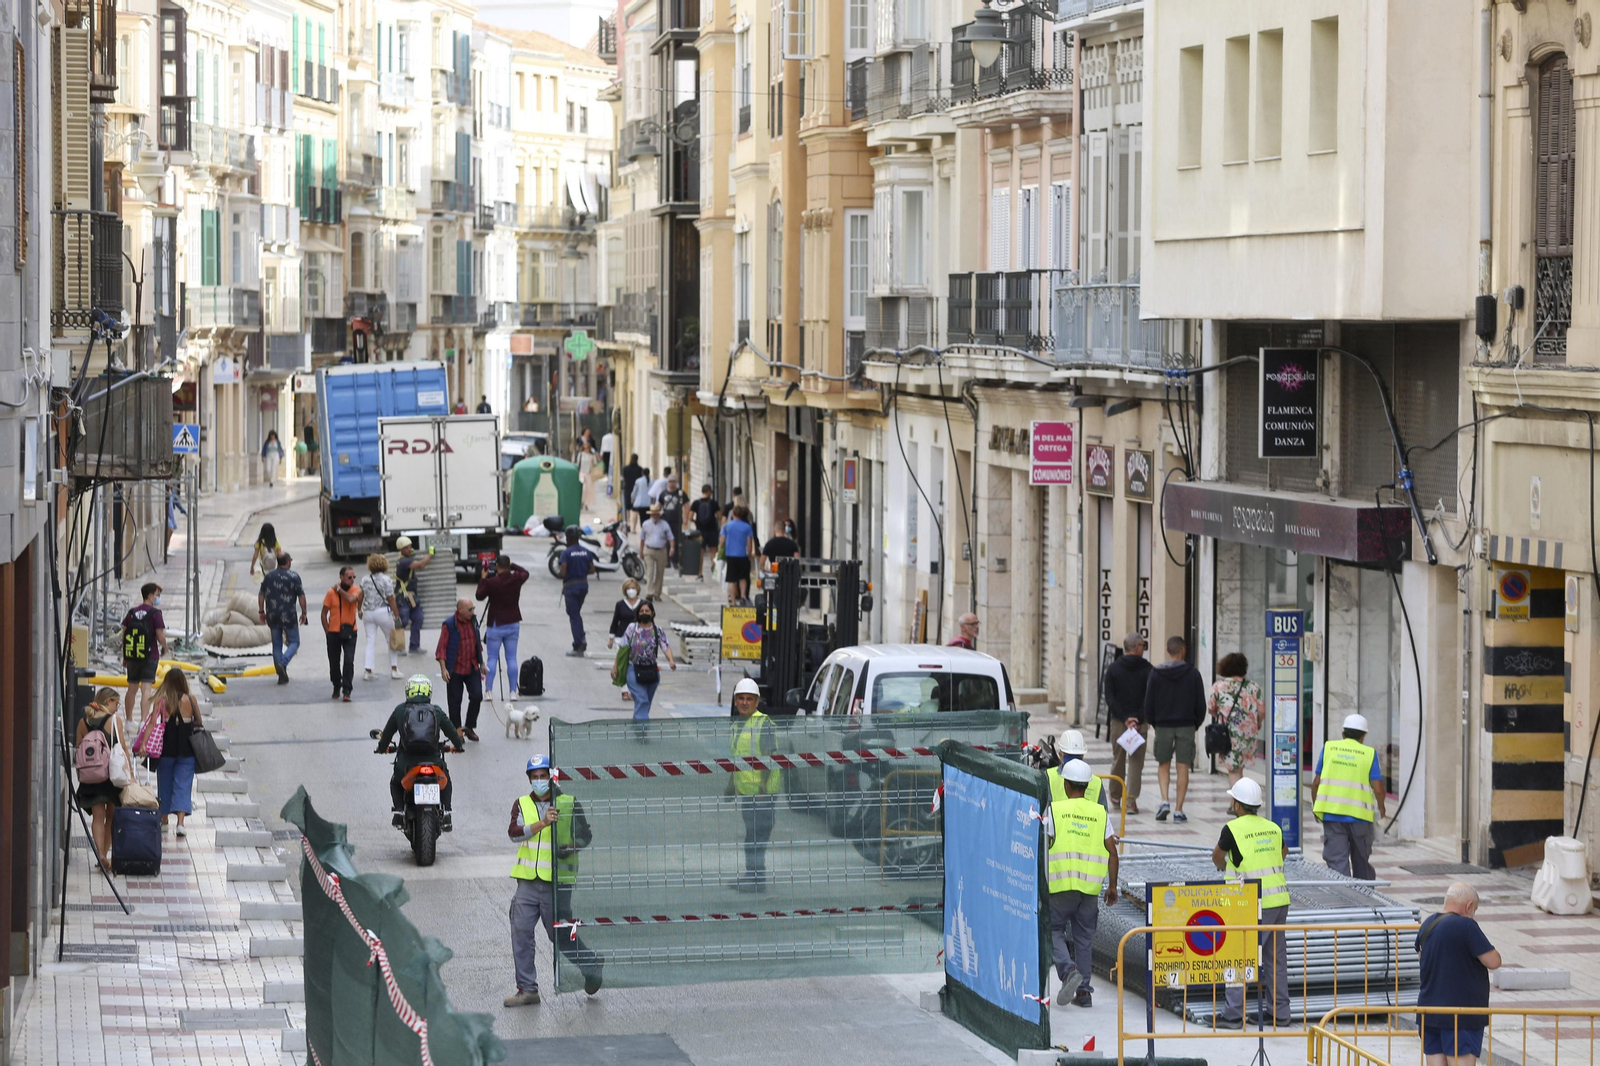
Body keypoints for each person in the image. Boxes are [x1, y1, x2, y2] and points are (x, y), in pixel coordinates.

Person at [505, 754, 604, 1005]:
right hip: (527, 882)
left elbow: (586, 835)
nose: (539, 781)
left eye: (543, 776)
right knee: (521, 932)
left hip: (557, 884)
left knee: (558, 936)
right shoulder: (521, 804)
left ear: (551, 777)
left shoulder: (568, 803)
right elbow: (514, 834)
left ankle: (590, 964)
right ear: (529, 779)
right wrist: (541, 823)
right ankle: (527, 989)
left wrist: (572, 845)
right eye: (534, 777)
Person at [1212, 778, 1290, 1029]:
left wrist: (1228, 868)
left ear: (1237, 804)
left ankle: (1234, 1014)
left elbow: (1217, 857)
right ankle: (1280, 1013)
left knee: (1238, 955)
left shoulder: (1232, 829)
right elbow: (1283, 853)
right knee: (1275, 959)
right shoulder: (1273, 827)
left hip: (1253, 903)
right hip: (1279, 900)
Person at [1044, 758, 1119, 1007]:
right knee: (1084, 939)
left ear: (1066, 784)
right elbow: (1112, 852)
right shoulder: (1100, 813)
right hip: (1089, 891)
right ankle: (1084, 993)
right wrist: (1112, 886)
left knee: (1051, 930)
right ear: (1087, 787)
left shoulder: (1055, 810)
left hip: (1060, 889)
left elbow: (1045, 846)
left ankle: (1068, 971)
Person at [1416, 883, 1502, 1066]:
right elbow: (1494, 961)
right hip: (1460, 1016)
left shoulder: (1428, 923)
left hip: (1429, 1012)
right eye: (1475, 909)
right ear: (1468, 906)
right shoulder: (1466, 926)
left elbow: (1421, 957)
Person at [375, 675, 464, 830]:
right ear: (428, 692)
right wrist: (458, 746)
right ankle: (447, 811)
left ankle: (399, 811)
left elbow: (387, 735)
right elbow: (452, 733)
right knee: (446, 780)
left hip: (407, 763)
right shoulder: (436, 710)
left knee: (396, 782)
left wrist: (381, 749)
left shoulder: (400, 710)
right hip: (434, 761)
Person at [1311, 713, 1387, 880]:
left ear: (1343, 733)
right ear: (1363, 736)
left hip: (1332, 815)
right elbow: (1379, 789)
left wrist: (1316, 806)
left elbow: (1316, 783)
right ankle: (1364, 898)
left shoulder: (1329, 748)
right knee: (1361, 861)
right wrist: (1382, 807)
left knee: (1337, 863)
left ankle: (1343, 901)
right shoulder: (1368, 753)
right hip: (1360, 818)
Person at [1143, 635, 1206, 823]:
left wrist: (1155, 722)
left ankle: (1164, 801)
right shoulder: (1193, 673)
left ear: (1168, 651)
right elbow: (1200, 703)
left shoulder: (1156, 673)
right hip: (1186, 725)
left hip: (1163, 725)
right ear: (1183, 650)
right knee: (1183, 766)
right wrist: (1195, 723)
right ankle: (1179, 810)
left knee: (1163, 764)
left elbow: (1148, 702)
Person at [728, 677, 778, 892]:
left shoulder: (762, 723)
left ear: (757, 702)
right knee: (752, 836)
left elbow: (768, 756)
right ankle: (753, 877)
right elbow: (737, 757)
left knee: (757, 838)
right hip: (748, 792)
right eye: (741, 698)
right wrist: (731, 784)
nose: (745, 702)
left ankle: (757, 880)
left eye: (749, 699)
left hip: (761, 793)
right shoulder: (737, 724)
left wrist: (763, 789)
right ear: (735, 701)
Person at [74, 688, 125, 868]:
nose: (117, 708)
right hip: (112, 776)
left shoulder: (83, 722)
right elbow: (123, 749)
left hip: (91, 776)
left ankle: (100, 854)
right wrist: (131, 776)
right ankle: (105, 855)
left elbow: (79, 748)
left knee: (97, 817)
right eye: (116, 704)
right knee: (111, 817)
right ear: (109, 701)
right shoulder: (114, 721)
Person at [1104, 633, 1153, 813]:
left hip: (1119, 722)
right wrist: (1137, 718)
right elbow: (1150, 698)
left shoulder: (1113, 669)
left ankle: (1115, 795)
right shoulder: (1149, 670)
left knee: (1118, 759)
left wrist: (1125, 718)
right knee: (1136, 761)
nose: (1144, 648)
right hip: (1140, 724)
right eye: (1143, 645)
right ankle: (1131, 801)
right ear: (1137, 647)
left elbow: (1109, 697)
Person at [152, 668, 202, 838]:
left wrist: (143, 743)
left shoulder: (161, 701)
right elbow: (199, 721)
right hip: (187, 750)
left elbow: (152, 724)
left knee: (164, 783)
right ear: (183, 681)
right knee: (183, 785)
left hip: (166, 749)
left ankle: (164, 820)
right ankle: (180, 824)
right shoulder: (191, 699)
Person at [1209, 652, 1266, 788]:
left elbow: (1211, 708)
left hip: (1229, 734)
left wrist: (1220, 716)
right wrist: (1258, 723)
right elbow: (1262, 710)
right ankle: (1236, 802)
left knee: (1233, 770)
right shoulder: (1253, 687)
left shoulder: (1219, 686)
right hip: (1249, 733)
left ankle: (1236, 804)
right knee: (1239, 768)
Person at [476, 554, 529, 697]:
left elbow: (479, 595)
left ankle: (489, 691)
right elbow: (525, 572)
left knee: (492, 658)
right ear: (508, 565)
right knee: (511, 658)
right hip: (513, 623)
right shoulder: (516, 579)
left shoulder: (492, 582)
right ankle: (512, 691)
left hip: (495, 624)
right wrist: (512, 565)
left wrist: (483, 577)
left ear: (497, 566)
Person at [436, 598, 487, 741]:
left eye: (473, 608)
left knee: (477, 696)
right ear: (460, 610)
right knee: (454, 701)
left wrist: (481, 663)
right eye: (470, 609)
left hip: (472, 666)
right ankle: (457, 730)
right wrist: (443, 668)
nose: (473, 612)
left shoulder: (473, 621)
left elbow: (477, 643)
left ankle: (469, 727)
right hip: (455, 668)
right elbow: (441, 648)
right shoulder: (449, 625)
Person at [119, 582, 168, 726]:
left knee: (132, 687)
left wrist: (126, 655)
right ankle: (143, 721)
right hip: (149, 654)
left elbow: (124, 635)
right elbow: (160, 636)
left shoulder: (132, 613)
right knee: (146, 688)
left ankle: (128, 720)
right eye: (157, 595)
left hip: (133, 654)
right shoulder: (155, 614)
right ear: (150, 596)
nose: (158, 598)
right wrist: (165, 647)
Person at [257, 552, 307, 685]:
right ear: (288, 562)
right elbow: (301, 596)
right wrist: (304, 612)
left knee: (277, 644)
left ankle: (281, 673)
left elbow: (261, 594)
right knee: (295, 642)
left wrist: (261, 611)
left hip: (272, 615)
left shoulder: (269, 577)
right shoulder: (294, 576)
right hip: (289, 615)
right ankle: (283, 663)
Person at [621, 600, 675, 720]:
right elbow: (622, 649)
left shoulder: (658, 630)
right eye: (641, 611)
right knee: (642, 699)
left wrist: (671, 660)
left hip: (651, 671)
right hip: (633, 669)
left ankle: (638, 728)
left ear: (653, 613)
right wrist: (616, 667)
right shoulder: (631, 628)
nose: (644, 613)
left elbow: (665, 646)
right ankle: (642, 730)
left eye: (647, 611)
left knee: (645, 703)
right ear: (637, 614)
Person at [321, 566, 361, 701]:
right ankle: (336, 685)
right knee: (334, 662)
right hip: (334, 633)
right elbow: (323, 613)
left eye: (353, 577)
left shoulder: (356, 590)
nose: (352, 580)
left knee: (349, 661)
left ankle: (347, 690)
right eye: (349, 577)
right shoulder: (330, 593)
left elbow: (351, 599)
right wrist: (327, 630)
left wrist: (339, 590)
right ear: (341, 577)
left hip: (350, 631)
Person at [360, 554, 402, 681]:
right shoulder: (386, 579)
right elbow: (391, 598)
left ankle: (368, 671)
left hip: (368, 613)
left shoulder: (365, 579)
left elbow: (360, 596)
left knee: (370, 641)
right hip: (383, 611)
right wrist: (397, 615)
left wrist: (359, 609)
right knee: (391, 640)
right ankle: (394, 669)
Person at [557, 526, 597, 656]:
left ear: (568, 538)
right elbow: (592, 570)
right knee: (576, 614)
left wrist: (560, 574)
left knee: (574, 616)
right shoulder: (586, 552)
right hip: (583, 586)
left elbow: (563, 571)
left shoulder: (566, 553)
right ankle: (580, 638)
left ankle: (579, 643)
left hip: (571, 588)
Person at [395, 537, 435, 655]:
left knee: (418, 618)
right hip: (403, 597)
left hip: (412, 597)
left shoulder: (406, 559)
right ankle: (399, 648)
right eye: (406, 548)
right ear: (401, 549)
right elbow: (421, 565)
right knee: (403, 621)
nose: (409, 549)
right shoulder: (404, 561)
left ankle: (414, 646)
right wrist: (430, 554)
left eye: (410, 547)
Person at [1058, 730, 1109, 811]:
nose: (1074, 761)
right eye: (1070, 756)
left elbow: (1104, 814)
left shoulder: (1096, 783)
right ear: (1060, 755)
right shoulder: (1049, 778)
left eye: (1078, 756)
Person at [720, 505, 755, 606]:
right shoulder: (747, 527)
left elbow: (721, 541)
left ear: (733, 514)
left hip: (730, 555)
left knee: (732, 579)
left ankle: (733, 600)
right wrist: (749, 554)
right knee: (743, 578)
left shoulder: (727, 526)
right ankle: (743, 596)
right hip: (742, 555)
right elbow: (749, 543)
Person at [640, 504, 674, 601]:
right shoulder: (646, 524)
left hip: (661, 550)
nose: (655, 516)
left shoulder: (664, 524)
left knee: (660, 573)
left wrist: (672, 548)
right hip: (649, 549)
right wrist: (641, 550)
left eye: (657, 514)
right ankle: (649, 593)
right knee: (650, 572)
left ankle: (657, 593)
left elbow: (671, 537)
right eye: (653, 514)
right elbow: (642, 538)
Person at [688, 485, 722, 583]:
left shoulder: (696, 503)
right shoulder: (713, 503)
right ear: (708, 492)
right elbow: (720, 516)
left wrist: (696, 522)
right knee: (713, 553)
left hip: (700, 532)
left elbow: (690, 517)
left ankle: (699, 575)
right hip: (712, 531)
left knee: (700, 554)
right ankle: (715, 572)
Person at [659, 477, 689, 565]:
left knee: (676, 540)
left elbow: (687, 505)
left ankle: (675, 560)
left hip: (677, 520)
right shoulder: (663, 493)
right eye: (670, 481)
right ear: (668, 482)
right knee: (666, 540)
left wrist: (685, 518)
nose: (672, 483)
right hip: (665, 520)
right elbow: (659, 505)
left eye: (673, 481)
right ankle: (667, 560)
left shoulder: (680, 493)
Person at [163, 481, 185, 563]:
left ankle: (167, 548)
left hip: (170, 514)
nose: (171, 482)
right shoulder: (163, 490)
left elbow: (176, 501)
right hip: (165, 514)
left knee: (170, 530)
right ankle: (165, 548)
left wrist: (184, 511)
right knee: (170, 529)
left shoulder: (172, 491)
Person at [620, 454, 645, 524]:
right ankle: (633, 528)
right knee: (635, 510)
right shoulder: (640, 469)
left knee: (627, 509)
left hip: (627, 489)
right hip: (636, 491)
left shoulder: (625, 468)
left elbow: (623, 478)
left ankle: (627, 524)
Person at [629, 465, 653, 531]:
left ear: (642, 473)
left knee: (642, 517)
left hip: (641, 503)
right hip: (649, 503)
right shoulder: (652, 481)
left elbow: (634, 492)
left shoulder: (638, 481)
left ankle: (643, 529)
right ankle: (647, 529)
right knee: (648, 517)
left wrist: (632, 499)